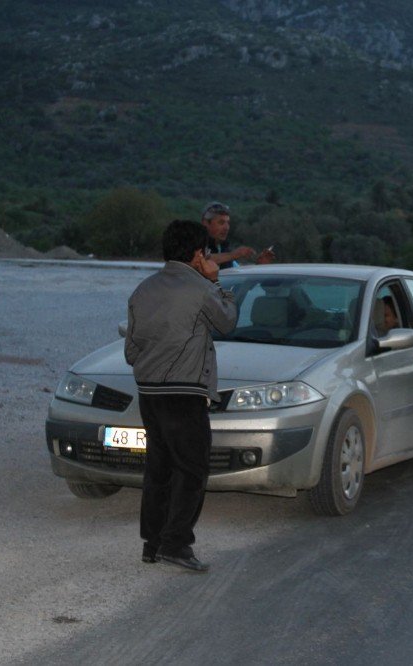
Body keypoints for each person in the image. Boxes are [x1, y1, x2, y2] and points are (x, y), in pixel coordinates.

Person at [125, 220, 239, 572]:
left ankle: (153, 543)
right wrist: (217, 282)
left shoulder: (142, 290)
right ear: (196, 254)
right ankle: (177, 544)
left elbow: (131, 351)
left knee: (158, 467)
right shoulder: (200, 288)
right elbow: (227, 322)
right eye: (205, 253)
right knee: (191, 469)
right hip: (184, 391)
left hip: (149, 392)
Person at [201, 201, 275, 269]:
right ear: (205, 223)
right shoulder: (194, 243)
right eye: (221, 222)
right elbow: (199, 261)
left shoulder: (223, 249)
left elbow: (240, 281)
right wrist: (233, 255)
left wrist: (260, 266)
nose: (226, 228)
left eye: (228, 223)